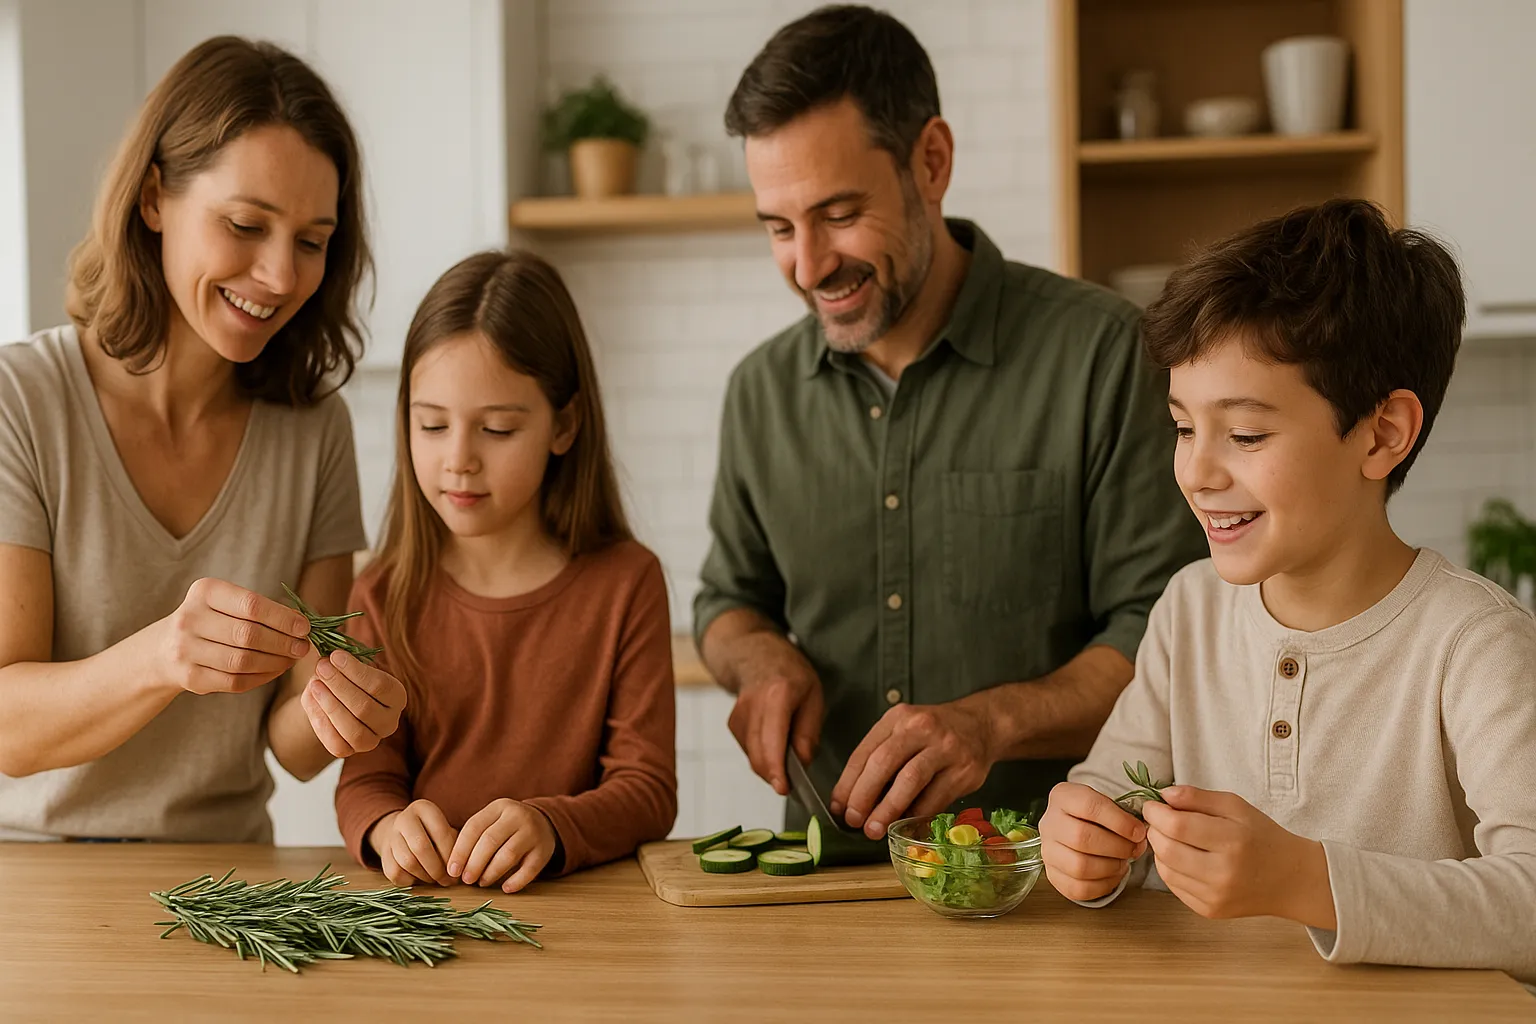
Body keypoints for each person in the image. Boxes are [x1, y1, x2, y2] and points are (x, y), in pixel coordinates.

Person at [695, 4, 1204, 838]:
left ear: (931, 162)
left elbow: (1166, 635)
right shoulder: (759, 393)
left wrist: (992, 723)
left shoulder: (1103, 354)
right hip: (826, 875)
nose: (810, 264)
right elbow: (727, 600)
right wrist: (760, 660)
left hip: (1052, 880)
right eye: (780, 228)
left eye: (838, 213)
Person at [1039, 199, 1536, 985]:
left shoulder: (1474, 643)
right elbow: (1109, 799)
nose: (1198, 471)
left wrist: (1310, 882)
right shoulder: (1189, 611)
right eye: (1182, 427)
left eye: (1244, 434)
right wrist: (1084, 846)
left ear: (1381, 434)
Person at [0, 37, 405, 842]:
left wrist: (347, 707)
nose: (282, 276)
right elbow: (8, 731)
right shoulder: (22, 402)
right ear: (154, 199)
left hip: (229, 882)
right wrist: (161, 658)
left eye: (312, 241)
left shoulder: (314, 429)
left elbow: (291, 743)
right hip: (36, 880)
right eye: (247, 224)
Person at [334, 250, 676, 893]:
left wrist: (552, 825)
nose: (458, 459)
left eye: (496, 429)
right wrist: (387, 827)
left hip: (585, 921)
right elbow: (366, 782)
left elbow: (647, 788)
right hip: (431, 916)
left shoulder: (627, 583)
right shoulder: (381, 593)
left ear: (564, 425)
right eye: (432, 424)